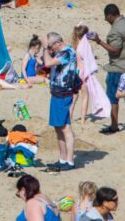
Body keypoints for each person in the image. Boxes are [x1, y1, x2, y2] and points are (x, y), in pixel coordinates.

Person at [90, 4, 125, 134]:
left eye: (106, 18)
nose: (106, 21)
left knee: (112, 98)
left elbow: (116, 50)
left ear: (109, 15)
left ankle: (114, 125)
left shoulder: (116, 30)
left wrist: (98, 41)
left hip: (118, 68)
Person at [41, 31, 78, 172]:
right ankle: (62, 159)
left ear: (57, 43)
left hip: (63, 94)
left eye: (51, 47)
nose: (51, 50)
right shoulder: (59, 53)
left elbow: (49, 63)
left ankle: (70, 161)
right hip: (57, 94)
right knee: (58, 127)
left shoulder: (66, 53)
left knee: (65, 128)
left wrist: (45, 49)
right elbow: (46, 64)